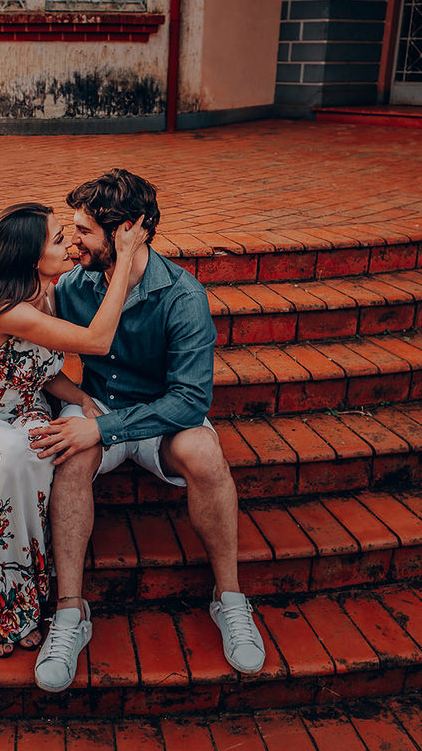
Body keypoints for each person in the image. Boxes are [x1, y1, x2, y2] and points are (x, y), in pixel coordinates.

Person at [29, 169, 265, 693]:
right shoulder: (73, 285)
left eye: (84, 231)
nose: (73, 242)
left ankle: (230, 599)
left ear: (128, 230)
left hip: (162, 417)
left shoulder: (183, 295)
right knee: (67, 455)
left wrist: (106, 429)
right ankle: (70, 613)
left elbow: (190, 399)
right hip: (98, 406)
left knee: (206, 452)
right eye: (70, 230)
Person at [0, 202, 146, 657]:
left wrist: (81, 397)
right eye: (59, 239)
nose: (70, 244)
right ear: (30, 256)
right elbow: (97, 342)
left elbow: (37, 368)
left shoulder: (46, 290)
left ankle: (17, 606)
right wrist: (123, 259)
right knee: (15, 455)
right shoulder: (8, 309)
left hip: (24, 412)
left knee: (31, 450)